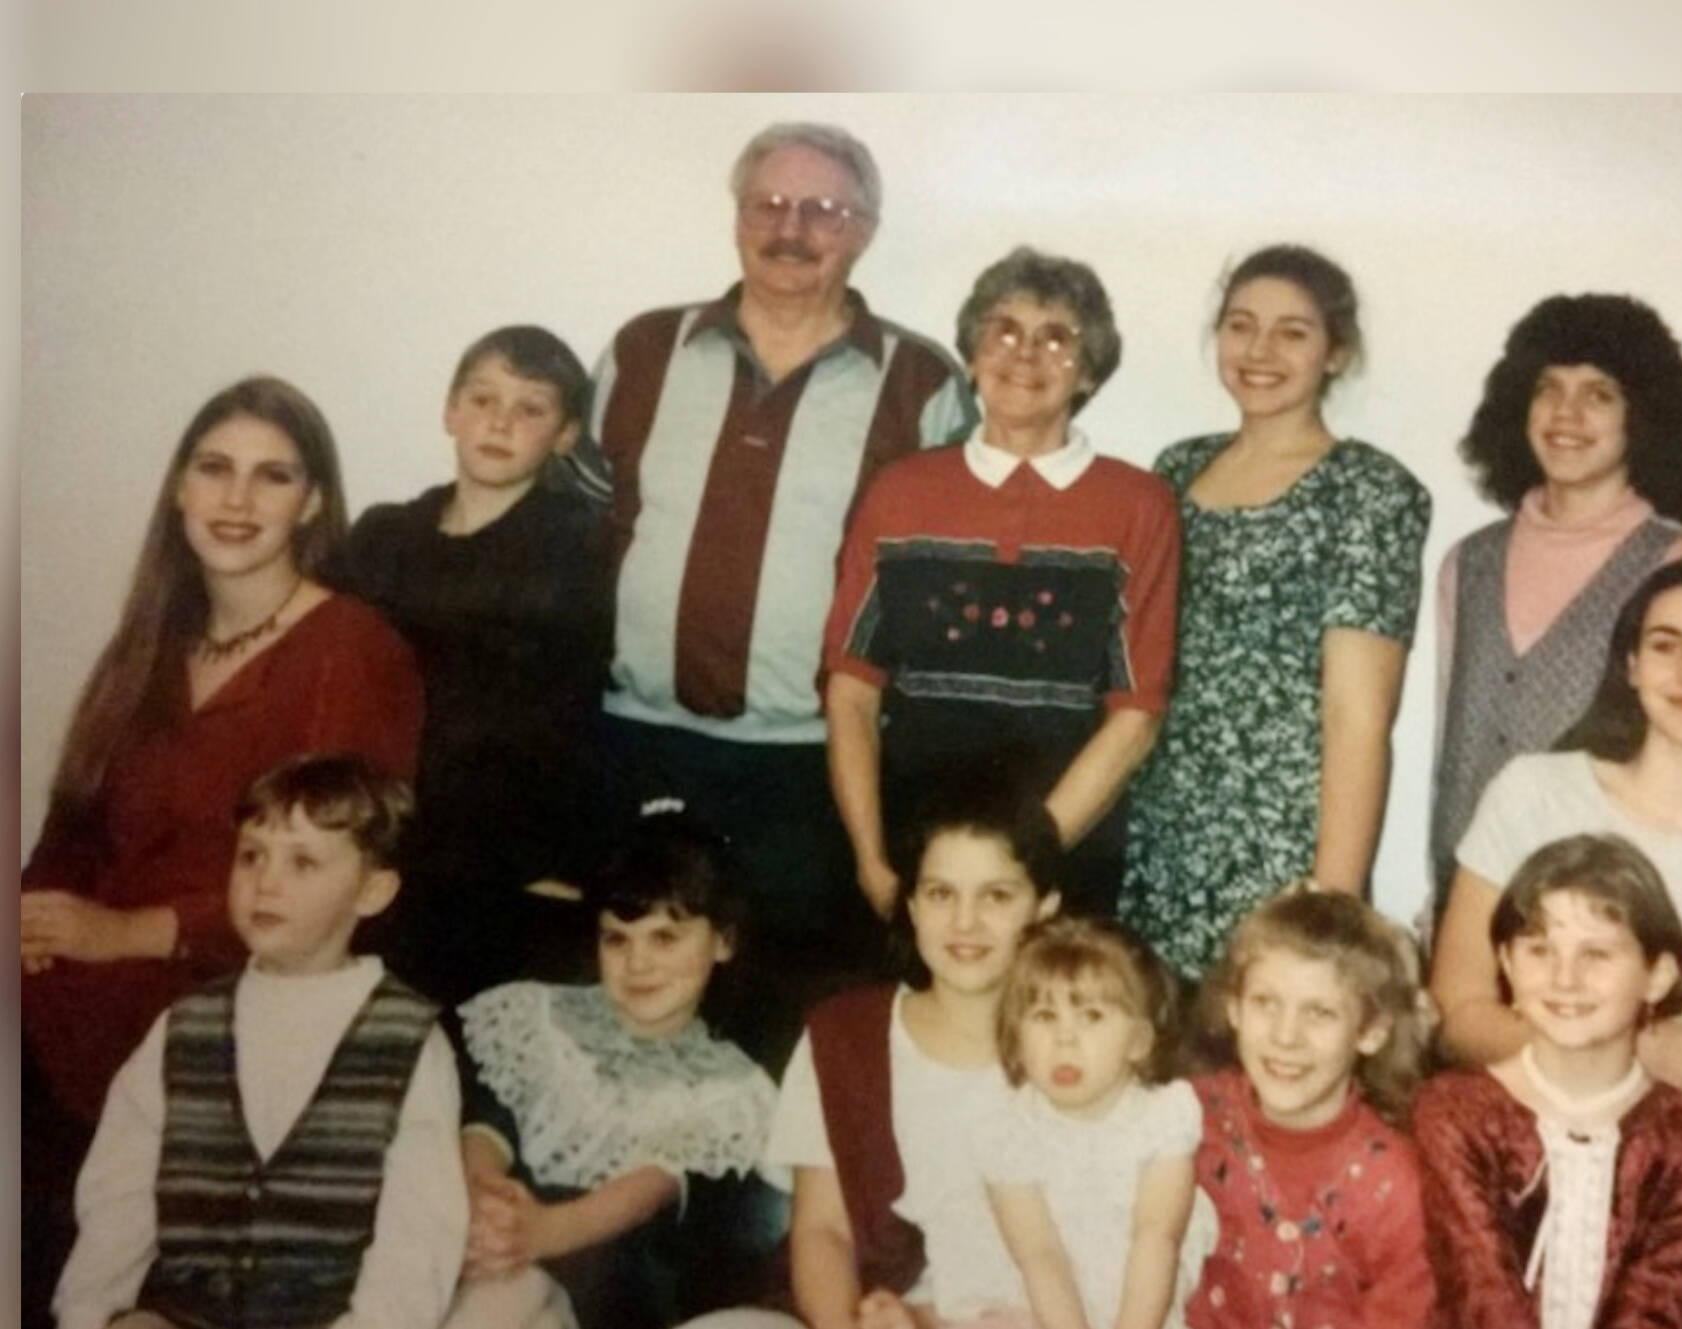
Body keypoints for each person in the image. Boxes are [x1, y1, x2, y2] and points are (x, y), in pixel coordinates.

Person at [19, 376, 425, 1326]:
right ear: (179, 489)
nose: (237, 501)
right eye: (215, 469)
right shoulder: (154, 638)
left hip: (233, 997)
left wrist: (129, 933)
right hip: (81, 979)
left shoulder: (350, 649)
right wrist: (33, 918)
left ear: (312, 501)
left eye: (271, 476)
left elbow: (331, 873)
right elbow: (73, 824)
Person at [564, 122, 975, 1002]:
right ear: (737, 217)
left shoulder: (922, 385)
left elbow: (943, 587)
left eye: (823, 210)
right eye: (770, 204)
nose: (791, 229)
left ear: (863, 230)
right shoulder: (641, 352)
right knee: (623, 1004)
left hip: (810, 765)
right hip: (637, 743)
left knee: (785, 1006)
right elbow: (585, 529)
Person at [824, 246, 1180, 920]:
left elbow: (1136, 713)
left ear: (1089, 371)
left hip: (1060, 858)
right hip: (913, 851)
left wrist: (1021, 868)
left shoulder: (1138, 503)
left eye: (1057, 338)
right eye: (1005, 330)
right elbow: (850, 694)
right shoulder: (899, 491)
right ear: (972, 351)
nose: (1026, 354)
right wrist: (873, 860)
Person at [53, 754, 465, 1329]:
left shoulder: (409, 1040)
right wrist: (96, 1315)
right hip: (186, 1312)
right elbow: (120, 1198)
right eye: (251, 856)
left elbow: (418, 1241)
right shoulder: (187, 1024)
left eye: (302, 862)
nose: (265, 882)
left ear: (372, 891)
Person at [1123, 245, 1428, 974]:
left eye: (1292, 332)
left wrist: (1331, 900)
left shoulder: (1368, 491)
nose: (1259, 351)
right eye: (1240, 325)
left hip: (1279, 851)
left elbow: (1359, 716)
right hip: (1154, 836)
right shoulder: (1172, 469)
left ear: (1335, 352)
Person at [1429, 554, 1682, 1128]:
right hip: (1547, 1138)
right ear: (1631, 666)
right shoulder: (1535, 791)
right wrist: (1636, 1050)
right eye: (1666, 645)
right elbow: (1456, 1017)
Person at [341, 324, 613, 1006]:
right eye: (483, 398)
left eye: (531, 408)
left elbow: (574, 720)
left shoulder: (576, 548)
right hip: (380, 835)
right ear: (450, 410)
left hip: (502, 856)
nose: (500, 421)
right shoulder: (385, 535)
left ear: (565, 435)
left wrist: (558, 863)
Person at [1429, 294, 1682, 920]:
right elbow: (1455, 743)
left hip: (1606, 910)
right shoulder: (1467, 562)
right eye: (1547, 389)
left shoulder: (1679, 565)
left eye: (1599, 394)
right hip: (1467, 899)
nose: (1566, 413)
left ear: (1642, 417)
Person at [446, 811, 784, 1329]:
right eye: (616, 939)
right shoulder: (541, 1019)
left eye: (665, 938)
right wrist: (483, 1191)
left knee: (509, 1295)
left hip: (607, 1279)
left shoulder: (725, 1088)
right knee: (499, 1296)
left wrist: (542, 1232)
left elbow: (648, 1189)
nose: (638, 963)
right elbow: (492, 1116)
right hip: (491, 1243)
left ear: (723, 942)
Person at [763, 774, 1061, 1329]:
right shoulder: (846, 1034)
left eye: (996, 896)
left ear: (1044, 904)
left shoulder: (1078, 1051)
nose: (964, 923)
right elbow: (822, 1230)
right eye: (941, 894)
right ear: (912, 904)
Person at [1413, 834, 1682, 1329]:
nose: (1565, 979)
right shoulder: (1455, 1112)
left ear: (1656, 975)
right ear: (1507, 964)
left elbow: (1661, 1310)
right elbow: (1479, 1293)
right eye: (1540, 950)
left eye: (1597, 954)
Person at [1185, 888, 1433, 1329]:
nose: (1286, 1036)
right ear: (1234, 1009)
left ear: (1371, 1032)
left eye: (1318, 1012)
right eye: (1265, 1003)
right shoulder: (1186, 1119)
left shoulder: (1394, 1186)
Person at [976, 917, 1206, 1329]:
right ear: (1016, 1037)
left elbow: (1157, 1237)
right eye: (1044, 1016)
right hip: (1043, 1309)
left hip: (1145, 1306)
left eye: (1092, 1017)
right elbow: (1040, 1257)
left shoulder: (1163, 1116)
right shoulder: (1007, 1130)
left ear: (1138, 1040)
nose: (1065, 1039)